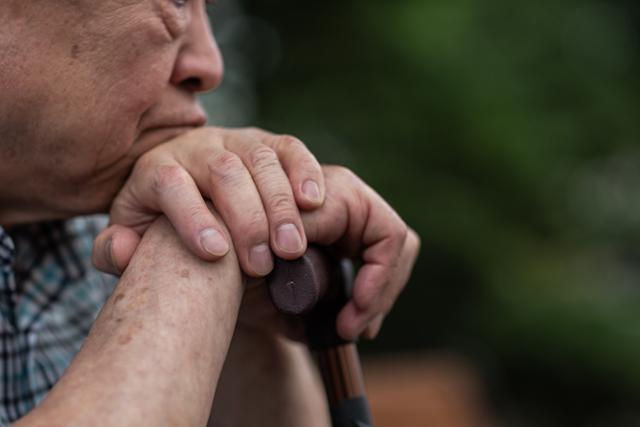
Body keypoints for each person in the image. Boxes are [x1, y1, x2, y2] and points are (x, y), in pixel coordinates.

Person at [0, 1, 420, 426]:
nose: (210, 66)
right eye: (175, 4)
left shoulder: (91, 221)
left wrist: (238, 250)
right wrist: (192, 246)